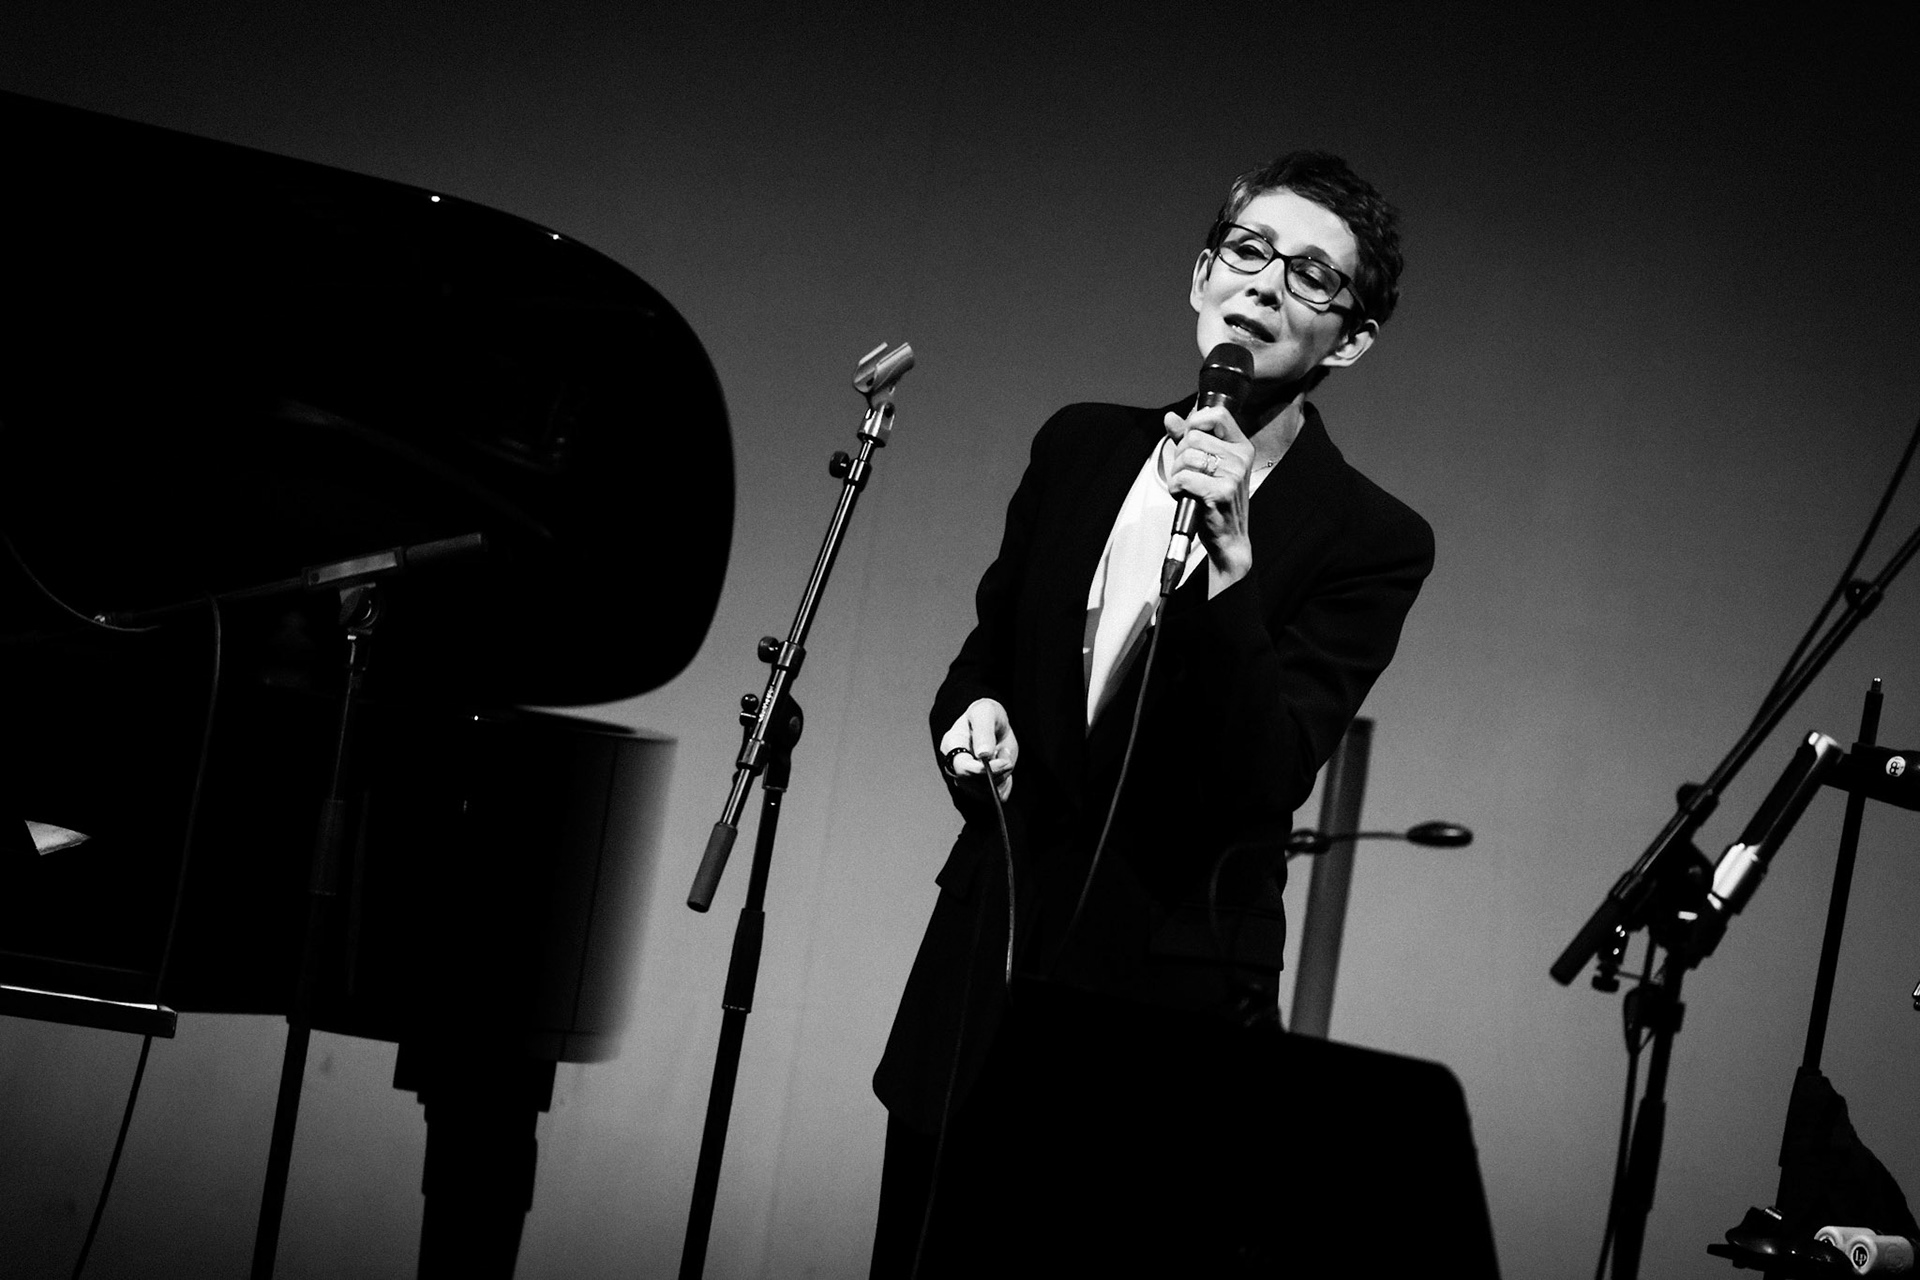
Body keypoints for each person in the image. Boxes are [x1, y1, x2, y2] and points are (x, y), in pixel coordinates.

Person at [869, 151, 1434, 1275]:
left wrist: (1232, 570)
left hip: (1164, 1011)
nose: (1266, 285)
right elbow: (986, 651)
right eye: (1248, 251)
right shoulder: (1078, 443)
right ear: (1200, 273)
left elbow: (1266, 771)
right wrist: (971, 716)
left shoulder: (1369, 537)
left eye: (1314, 277)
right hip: (990, 968)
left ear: (1354, 338)